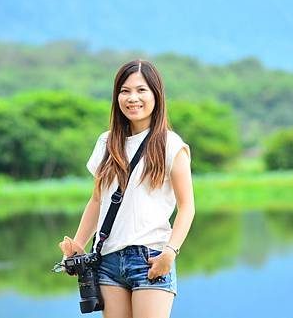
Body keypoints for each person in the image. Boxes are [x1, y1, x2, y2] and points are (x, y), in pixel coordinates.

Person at [58, 59, 195, 318]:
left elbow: (187, 206)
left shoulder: (170, 144)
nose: (133, 98)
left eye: (141, 90)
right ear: (117, 96)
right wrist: (77, 243)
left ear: (156, 95)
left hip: (151, 258)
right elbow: (98, 201)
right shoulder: (107, 142)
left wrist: (170, 252)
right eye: (125, 91)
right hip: (108, 260)